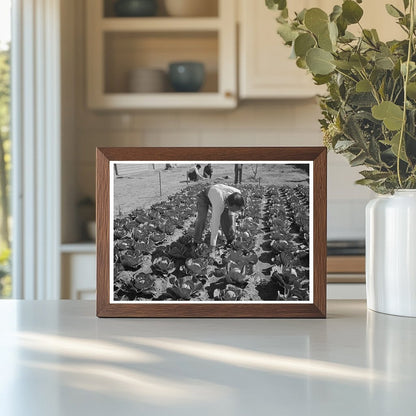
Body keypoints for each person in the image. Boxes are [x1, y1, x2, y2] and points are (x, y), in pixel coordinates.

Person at [194, 184, 245, 254]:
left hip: (218, 194)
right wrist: (213, 246)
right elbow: (215, 224)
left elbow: (232, 213)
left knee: (226, 217)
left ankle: (230, 240)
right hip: (204, 196)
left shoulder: (238, 194)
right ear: (228, 204)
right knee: (202, 219)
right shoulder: (219, 204)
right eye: (233, 210)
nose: (235, 212)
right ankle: (196, 241)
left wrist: (232, 226)